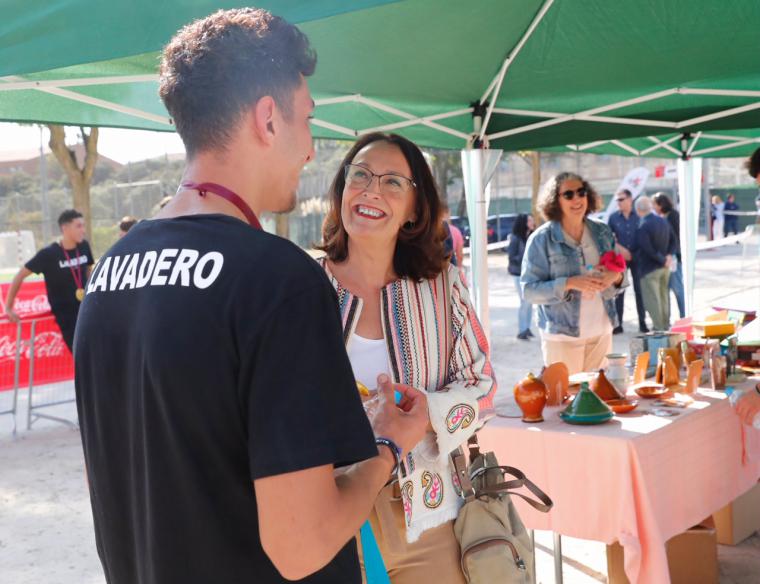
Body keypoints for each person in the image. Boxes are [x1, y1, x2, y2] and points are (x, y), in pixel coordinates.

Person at [73, 10, 428, 584]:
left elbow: (114, 480)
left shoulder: (110, 273)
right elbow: (301, 544)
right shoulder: (280, 281)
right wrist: (387, 446)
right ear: (268, 118)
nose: (312, 149)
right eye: (307, 119)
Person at [318, 132, 496, 583]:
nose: (371, 190)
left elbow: (484, 388)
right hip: (327, 515)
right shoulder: (303, 286)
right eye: (360, 175)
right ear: (342, 189)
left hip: (425, 515)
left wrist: (426, 415)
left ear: (416, 208)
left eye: (393, 182)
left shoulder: (443, 286)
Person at [521, 172, 626, 376]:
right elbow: (529, 291)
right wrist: (569, 282)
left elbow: (619, 270)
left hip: (602, 331)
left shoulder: (602, 231)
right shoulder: (541, 239)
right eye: (568, 194)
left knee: (597, 401)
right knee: (565, 402)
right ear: (555, 201)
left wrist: (616, 277)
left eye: (581, 192)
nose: (577, 199)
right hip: (562, 337)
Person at [4, 209, 94, 352]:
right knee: (83, 356)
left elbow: (88, 270)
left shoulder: (83, 246)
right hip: (68, 318)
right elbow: (19, 276)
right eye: (78, 226)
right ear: (65, 228)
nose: (83, 230)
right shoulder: (49, 254)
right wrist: (8, 307)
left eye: (83, 225)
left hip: (88, 310)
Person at [607, 189, 648, 333]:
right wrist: (621, 249)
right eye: (617, 200)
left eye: (621, 199)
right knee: (619, 291)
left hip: (637, 259)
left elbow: (645, 236)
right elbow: (609, 239)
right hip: (620, 261)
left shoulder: (639, 216)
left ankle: (643, 323)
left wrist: (634, 253)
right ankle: (618, 325)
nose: (618, 202)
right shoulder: (613, 218)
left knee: (640, 291)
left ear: (630, 199)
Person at [634, 196, 677, 331]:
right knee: (664, 297)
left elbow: (647, 249)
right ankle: (665, 326)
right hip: (664, 267)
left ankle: (659, 329)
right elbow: (674, 240)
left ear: (638, 210)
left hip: (649, 268)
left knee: (653, 300)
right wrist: (668, 256)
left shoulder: (643, 225)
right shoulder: (662, 221)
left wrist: (663, 259)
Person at [652, 192, 685, 319]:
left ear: (661, 204)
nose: (653, 207)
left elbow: (675, 238)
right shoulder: (664, 217)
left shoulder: (672, 216)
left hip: (674, 258)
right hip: (667, 259)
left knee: (677, 288)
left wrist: (671, 255)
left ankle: (684, 316)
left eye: (654, 204)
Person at [508, 213, 536, 340]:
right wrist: (525, 258)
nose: (532, 222)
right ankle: (522, 330)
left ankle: (527, 328)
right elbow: (511, 257)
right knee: (524, 301)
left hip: (530, 274)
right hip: (518, 274)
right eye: (530, 220)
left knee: (530, 301)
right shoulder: (515, 238)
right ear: (523, 222)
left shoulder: (532, 236)